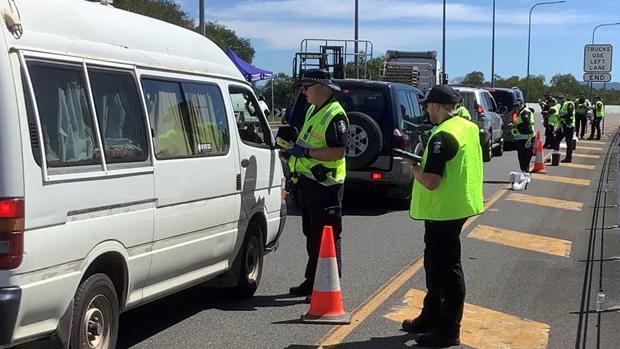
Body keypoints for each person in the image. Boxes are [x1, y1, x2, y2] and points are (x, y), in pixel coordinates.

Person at [400, 85, 484, 348]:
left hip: (443, 210)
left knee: (446, 271)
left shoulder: (442, 136)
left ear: (436, 106)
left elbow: (432, 181)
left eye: (427, 105)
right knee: (435, 266)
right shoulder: (466, 127)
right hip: (457, 207)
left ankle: (448, 331)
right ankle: (431, 317)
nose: (425, 109)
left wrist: (413, 168)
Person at [285, 69, 349, 298]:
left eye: (307, 87)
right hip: (308, 182)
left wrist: (306, 152)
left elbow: (337, 152)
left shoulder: (335, 115)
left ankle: (328, 286)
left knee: (327, 237)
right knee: (312, 235)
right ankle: (312, 280)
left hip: (326, 185)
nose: (304, 92)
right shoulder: (314, 109)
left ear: (320, 87)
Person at [513, 106, 536, 172]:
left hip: (526, 137)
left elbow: (527, 124)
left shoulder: (524, 112)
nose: (516, 108)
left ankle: (525, 172)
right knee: (523, 156)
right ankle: (524, 171)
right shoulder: (521, 112)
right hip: (522, 137)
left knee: (525, 157)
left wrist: (516, 126)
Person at [554, 94, 575, 163]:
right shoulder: (561, 106)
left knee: (569, 142)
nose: (559, 100)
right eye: (558, 98)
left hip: (569, 126)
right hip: (562, 126)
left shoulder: (569, 104)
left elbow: (570, 114)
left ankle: (568, 158)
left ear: (564, 98)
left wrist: (561, 116)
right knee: (556, 140)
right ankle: (555, 157)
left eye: (561, 98)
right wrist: (558, 127)